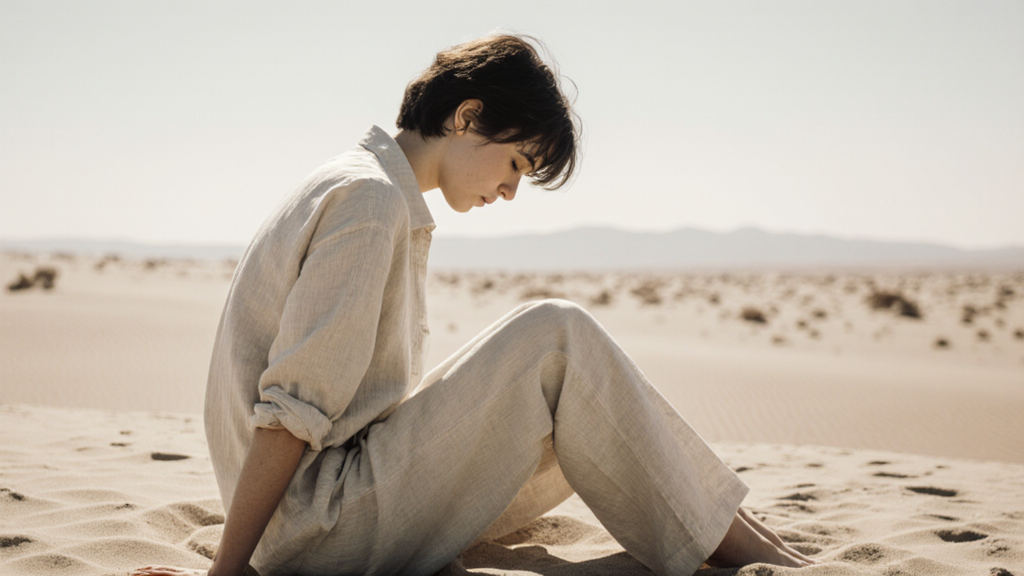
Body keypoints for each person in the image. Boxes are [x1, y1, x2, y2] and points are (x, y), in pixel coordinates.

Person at [133, 34, 816, 576]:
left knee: (563, 360)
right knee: (557, 337)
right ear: (466, 117)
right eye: (516, 164)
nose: (512, 192)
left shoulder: (356, 180)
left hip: (313, 509)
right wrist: (229, 572)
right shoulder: (370, 203)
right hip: (317, 529)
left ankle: (753, 543)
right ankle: (754, 554)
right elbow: (293, 411)